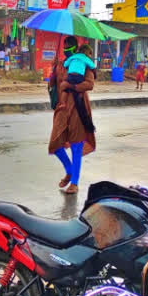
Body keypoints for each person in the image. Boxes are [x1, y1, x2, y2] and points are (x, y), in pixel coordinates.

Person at [49, 36, 96, 195]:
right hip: (62, 108)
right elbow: (52, 86)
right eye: (64, 46)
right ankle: (69, 170)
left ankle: (74, 183)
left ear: (75, 48)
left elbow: (89, 84)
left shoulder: (83, 63)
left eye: (68, 46)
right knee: (55, 144)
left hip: (78, 107)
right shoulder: (61, 64)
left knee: (77, 146)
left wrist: (72, 85)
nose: (65, 49)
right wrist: (53, 71)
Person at [63, 43, 96, 133]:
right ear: (87, 52)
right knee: (80, 106)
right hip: (78, 79)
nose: (90, 56)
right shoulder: (85, 59)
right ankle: (89, 126)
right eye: (90, 54)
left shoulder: (73, 57)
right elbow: (93, 66)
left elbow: (65, 64)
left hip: (70, 78)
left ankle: (88, 126)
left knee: (79, 106)